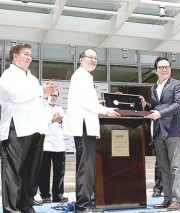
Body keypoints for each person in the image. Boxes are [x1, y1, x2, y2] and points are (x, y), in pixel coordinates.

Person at [0, 43, 56, 213]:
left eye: (31, 54)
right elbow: (17, 96)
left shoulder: (32, 78)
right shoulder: (8, 75)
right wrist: (41, 90)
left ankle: (26, 205)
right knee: (13, 171)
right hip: (16, 128)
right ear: (15, 56)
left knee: (31, 172)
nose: (29, 57)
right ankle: (12, 209)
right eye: (26, 54)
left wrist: (45, 94)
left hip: (35, 129)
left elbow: (37, 101)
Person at [63, 48, 120, 212]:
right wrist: (105, 110)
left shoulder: (86, 76)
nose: (93, 60)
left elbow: (88, 101)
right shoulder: (80, 75)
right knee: (85, 168)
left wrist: (99, 105)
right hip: (83, 127)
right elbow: (85, 102)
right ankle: (82, 205)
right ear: (81, 59)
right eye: (90, 57)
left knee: (88, 167)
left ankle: (88, 202)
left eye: (95, 58)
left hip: (87, 126)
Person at [142, 56, 180, 211]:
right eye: (161, 67)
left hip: (173, 130)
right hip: (158, 131)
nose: (164, 69)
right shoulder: (153, 88)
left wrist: (160, 114)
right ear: (156, 71)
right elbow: (155, 107)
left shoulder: (177, 84)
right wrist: (145, 104)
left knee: (175, 167)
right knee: (163, 167)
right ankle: (167, 198)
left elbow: (178, 105)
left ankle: (176, 199)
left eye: (167, 66)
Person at [38, 88, 69, 203]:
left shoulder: (60, 109)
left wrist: (60, 121)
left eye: (56, 95)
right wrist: (52, 119)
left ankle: (58, 195)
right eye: (51, 95)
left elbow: (66, 124)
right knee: (45, 172)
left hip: (59, 145)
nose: (54, 97)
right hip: (46, 145)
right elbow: (40, 123)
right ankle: (45, 195)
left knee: (59, 172)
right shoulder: (43, 108)